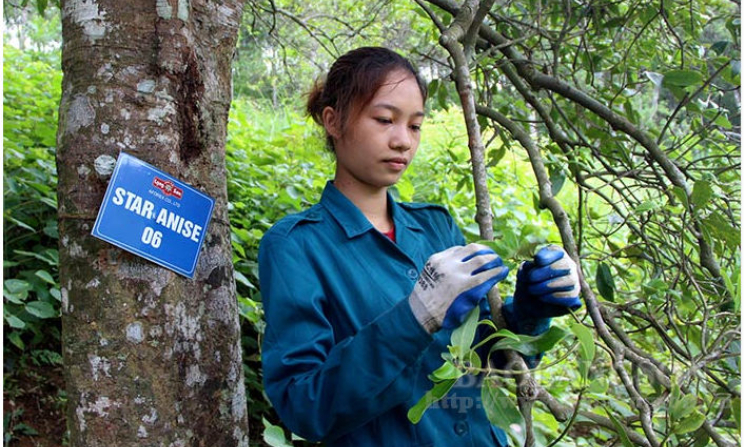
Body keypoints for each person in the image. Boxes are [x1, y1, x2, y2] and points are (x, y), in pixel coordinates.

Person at [258, 46, 582, 447]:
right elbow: (305, 407)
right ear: (334, 122)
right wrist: (415, 317)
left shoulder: (436, 226)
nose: (402, 142)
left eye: (414, 126)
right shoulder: (297, 246)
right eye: (384, 120)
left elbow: (488, 364)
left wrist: (531, 314)